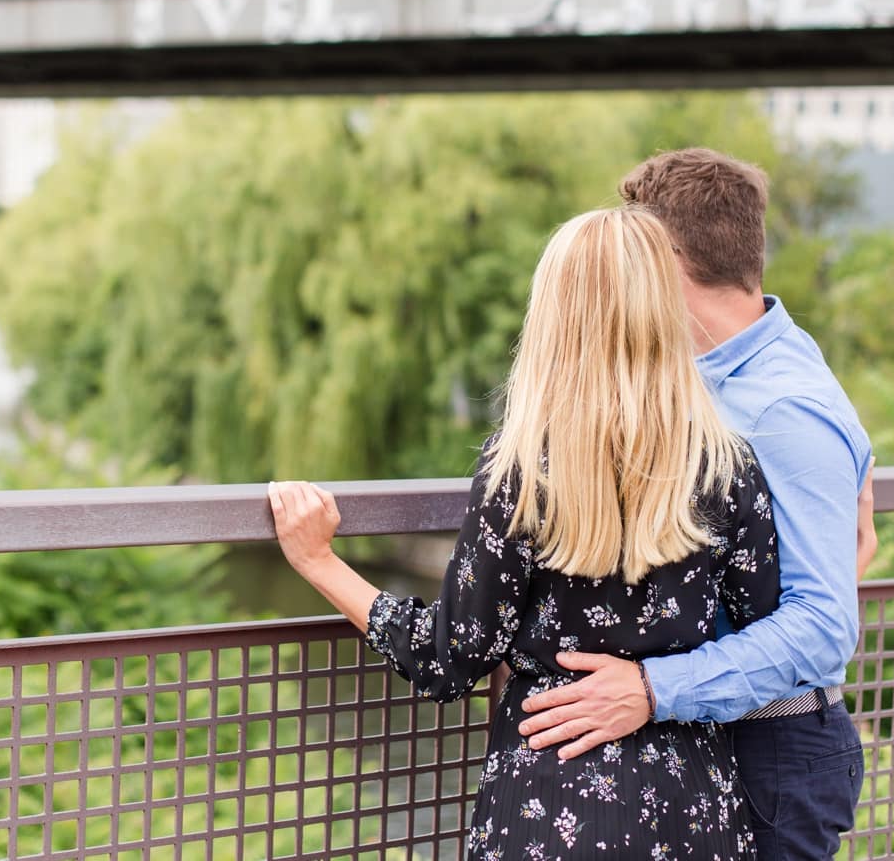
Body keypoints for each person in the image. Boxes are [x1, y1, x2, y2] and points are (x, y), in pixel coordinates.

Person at [270, 207, 783, 859]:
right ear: (661, 308)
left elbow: (451, 656)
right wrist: (659, 687)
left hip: (549, 805)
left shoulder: (524, 466)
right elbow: (765, 633)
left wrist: (319, 562)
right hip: (691, 811)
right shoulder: (726, 462)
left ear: (555, 313)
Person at [516, 150, 874, 860]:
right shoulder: (731, 374)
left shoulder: (781, 409)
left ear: (668, 259)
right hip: (713, 745)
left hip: (770, 753)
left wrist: (653, 688)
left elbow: (825, 625)